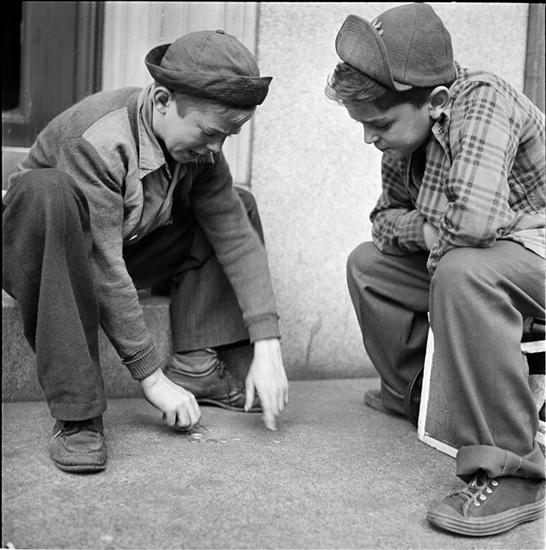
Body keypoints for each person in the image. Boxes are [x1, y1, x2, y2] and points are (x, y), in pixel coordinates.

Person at [2, 29, 289, 474]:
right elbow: (102, 264)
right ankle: (78, 413)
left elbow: (233, 232)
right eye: (210, 132)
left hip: (119, 245)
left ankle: (196, 364)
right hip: (46, 256)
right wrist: (151, 377)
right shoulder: (98, 138)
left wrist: (268, 345)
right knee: (47, 191)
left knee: (239, 205)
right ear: (161, 100)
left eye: (228, 136)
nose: (216, 148)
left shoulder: (201, 151)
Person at [325, 3, 545, 537]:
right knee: (368, 265)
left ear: (437, 101)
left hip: (535, 256)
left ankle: (514, 470)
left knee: (463, 272)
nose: (369, 138)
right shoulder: (404, 141)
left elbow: (473, 226)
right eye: (363, 125)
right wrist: (428, 231)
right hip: (488, 255)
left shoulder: (484, 98)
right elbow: (383, 223)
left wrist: (437, 232)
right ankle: (421, 395)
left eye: (379, 124)